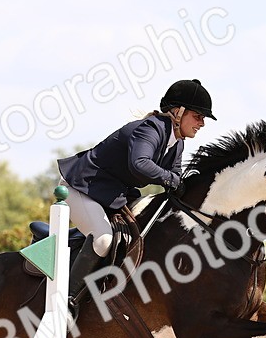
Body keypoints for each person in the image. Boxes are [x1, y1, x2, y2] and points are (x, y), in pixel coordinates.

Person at [56, 78, 216, 318]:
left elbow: (175, 178)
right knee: (102, 239)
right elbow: (140, 164)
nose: (202, 123)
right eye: (198, 116)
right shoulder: (150, 129)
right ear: (178, 112)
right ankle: (65, 302)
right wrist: (174, 181)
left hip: (111, 195)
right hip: (81, 187)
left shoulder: (177, 143)